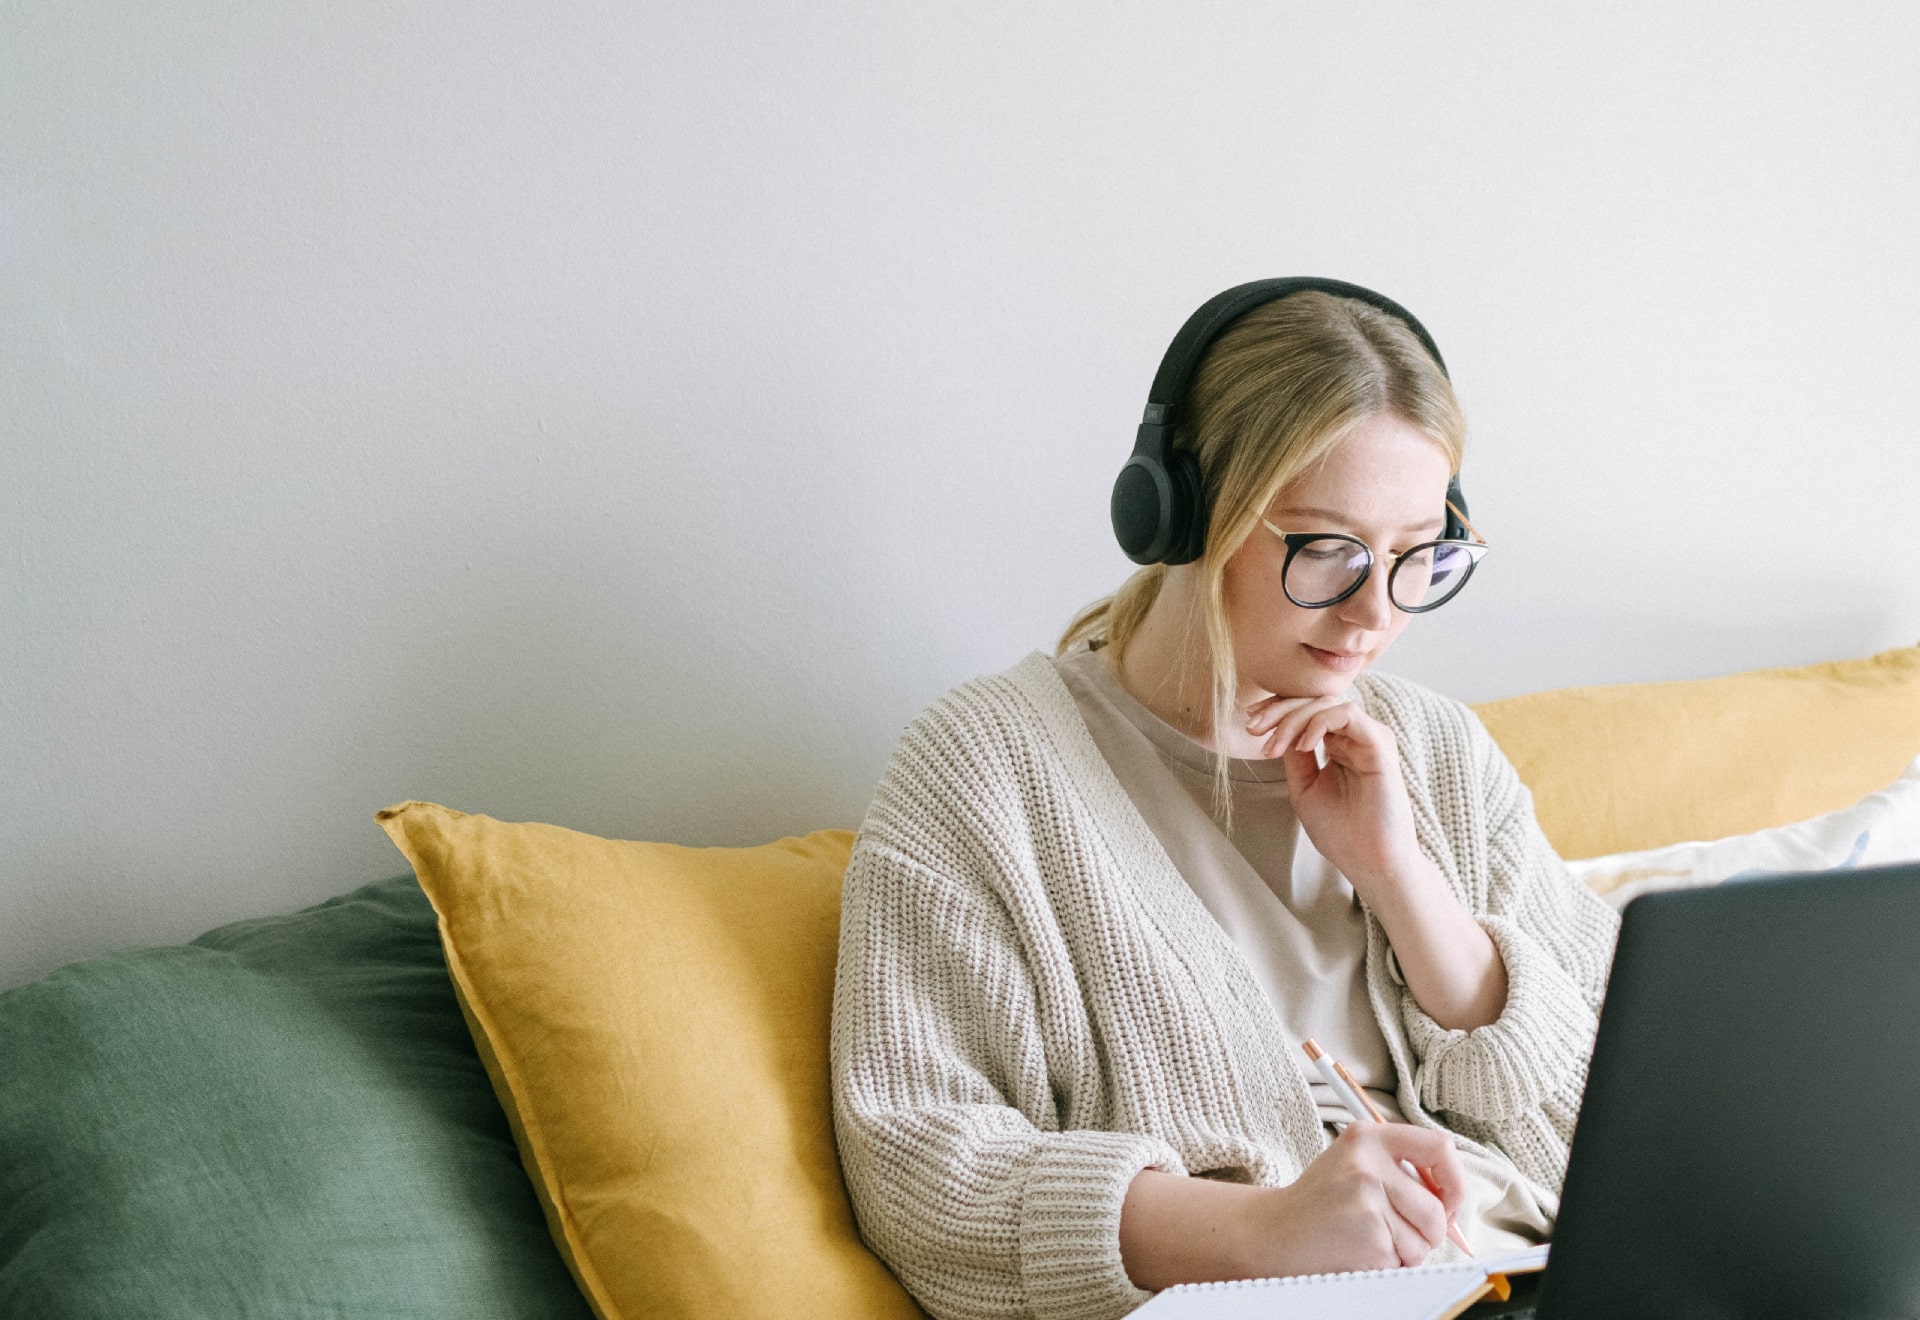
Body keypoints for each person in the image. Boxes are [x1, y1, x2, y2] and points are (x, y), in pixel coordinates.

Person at [829, 282, 1622, 1320]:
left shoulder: (1434, 749)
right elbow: (924, 1170)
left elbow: (1629, 1115)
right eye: (1327, 550)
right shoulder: (988, 770)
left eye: (1417, 554)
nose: (1377, 613)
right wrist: (1265, 1233)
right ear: (1185, 515)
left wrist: (1403, 879)